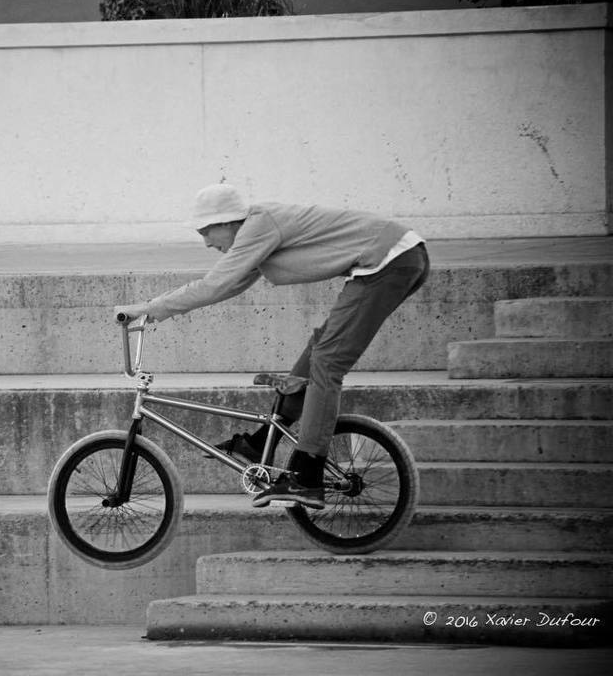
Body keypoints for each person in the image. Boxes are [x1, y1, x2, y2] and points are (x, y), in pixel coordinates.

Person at [114, 184, 430, 510]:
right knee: (318, 348)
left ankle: (307, 477)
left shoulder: (258, 225)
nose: (206, 242)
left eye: (207, 231)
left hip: (389, 261)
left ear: (229, 221)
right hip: (393, 259)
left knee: (326, 362)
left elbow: (214, 284)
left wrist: (148, 307)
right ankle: (261, 443)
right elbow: (227, 286)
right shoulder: (256, 236)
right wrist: (156, 311)